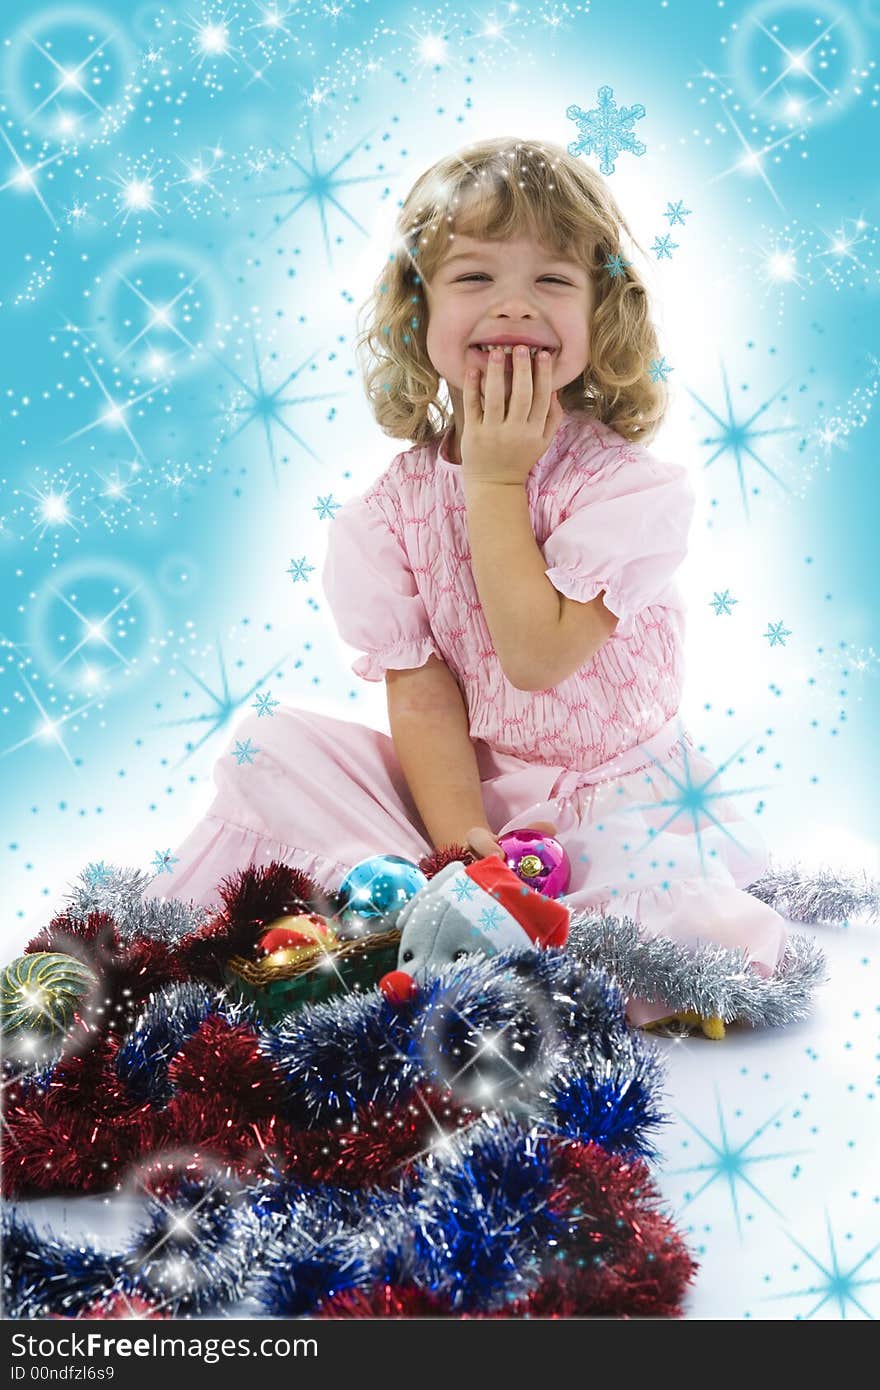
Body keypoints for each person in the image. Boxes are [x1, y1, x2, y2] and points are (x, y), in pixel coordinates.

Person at [144, 136, 788, 1032]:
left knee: (661, 897)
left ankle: (492, 949)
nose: (515, 306)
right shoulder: (387, 511)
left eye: (554, 282)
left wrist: (494, 482)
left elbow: (535, 657)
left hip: (614, 800)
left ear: (604, 315)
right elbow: (423, 693)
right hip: (467, 795)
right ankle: (443, 915)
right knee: (269, 745)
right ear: (419, 310)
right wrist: (458, 849)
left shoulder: (629, 491)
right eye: (475, 278)